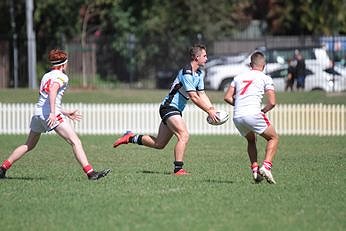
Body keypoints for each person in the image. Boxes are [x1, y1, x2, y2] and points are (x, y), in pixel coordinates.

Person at [0, 49, 111, 180]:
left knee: (28, 145)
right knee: (75, 141)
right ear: (64, 64)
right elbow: (52, 91)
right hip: (50, 114)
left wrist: (65, 112)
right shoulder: (62, 77)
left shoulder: (46, 76)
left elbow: (44, 98)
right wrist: (53, 113)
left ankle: (2, 168)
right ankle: (91, 173)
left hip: (38, 113)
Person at [113, 44, 219, 175]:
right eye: (204, 56)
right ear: (197, 57)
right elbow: (193, 97)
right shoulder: (186, 73)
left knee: (159, 144)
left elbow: (202, 94)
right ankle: (178, 169)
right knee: (184, 135)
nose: (207, 58)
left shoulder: (198, 74)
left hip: (174, 110)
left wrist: (212, 108)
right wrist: (209, 111)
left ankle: (130, 137)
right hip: (169, 107)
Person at [224, 51, 279, 184]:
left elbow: (227, 97)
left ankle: (255, 169)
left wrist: (238, 104)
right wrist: (263, 111)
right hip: (253, 114)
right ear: (264, 66)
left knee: (251, 140)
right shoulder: (265, 78)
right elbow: (272, 102)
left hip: (238, 116)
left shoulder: (238, 77)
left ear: (250, 64)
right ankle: (266, 167)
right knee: (273, 138)